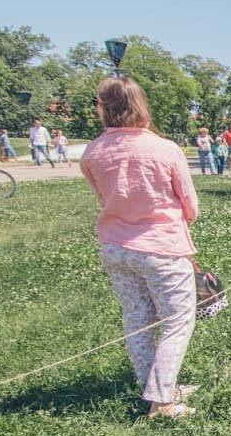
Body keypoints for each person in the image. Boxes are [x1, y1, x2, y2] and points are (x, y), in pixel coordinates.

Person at [80, 77, 200, 418]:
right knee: (177, 320)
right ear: (140, 106)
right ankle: (162, 401)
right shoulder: (164, 149)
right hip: (161, 247)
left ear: (104, 109)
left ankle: (156, 386)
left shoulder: (93, 152)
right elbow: (190, 205)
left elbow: (104, 199)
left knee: (138, 320)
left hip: (116, 248)